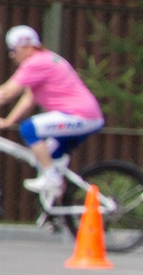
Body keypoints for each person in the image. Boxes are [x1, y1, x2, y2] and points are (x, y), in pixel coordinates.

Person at [0, 26, 106, 205]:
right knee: (49, 158)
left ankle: (52, 180)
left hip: (80, 116)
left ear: (25, 45)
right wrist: (9, 121)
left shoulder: (36, 62)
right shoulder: (45, 59)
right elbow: (28, 99)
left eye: (13, 50)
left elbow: (6, 93)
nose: (11, 55)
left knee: (29, 129)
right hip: (84, 116)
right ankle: (55, 208)